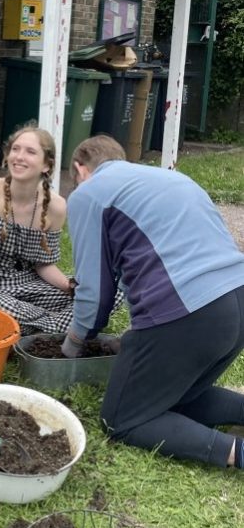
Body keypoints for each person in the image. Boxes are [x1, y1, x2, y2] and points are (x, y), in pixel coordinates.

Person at [64, 134, 244, 470]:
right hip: (237, 297)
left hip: (192, 313)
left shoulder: (88, 194)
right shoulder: (171, 178)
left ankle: (237, 453)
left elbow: (94, 292)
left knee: (122, 418)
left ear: (80, 169)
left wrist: (72, 345)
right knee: (176, 398)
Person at [0, 124, 74, 334]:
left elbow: (43, 265)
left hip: (30, 284)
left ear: (46, 165)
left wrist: (73, 289)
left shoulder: (56, 206)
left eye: (30, 152)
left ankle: (22, 329)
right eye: (15, 149)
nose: (19, 156)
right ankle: (61, 329)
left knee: (98, 298)